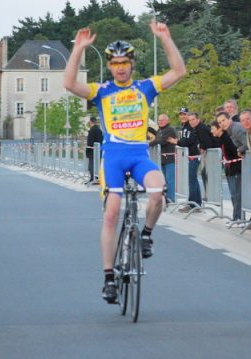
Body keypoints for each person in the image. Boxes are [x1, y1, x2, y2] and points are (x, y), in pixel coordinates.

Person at [63, 21, 186, 303]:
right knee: (111, 213)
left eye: (125, 62)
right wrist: (79, 49)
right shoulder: (102, 90)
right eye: (115, 63)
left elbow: (178, 72)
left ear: (132, 64)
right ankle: (108, 277)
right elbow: (69, 84)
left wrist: (166, 38)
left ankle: (146, 235)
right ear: (110, 66)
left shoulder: (146, 87)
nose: (120, 67)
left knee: (157, 192)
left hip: (140, 155)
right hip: (114, 157)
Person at [168, 112, 202, 211]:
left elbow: (188, 141)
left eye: (185, 114)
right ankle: (196, 204)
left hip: (193, 156)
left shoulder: (190, 127)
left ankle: (193, 205)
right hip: (190, 156)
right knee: (193, 180)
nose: (183, 116)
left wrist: (176, 142)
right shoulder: (184, 127)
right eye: (181, 114)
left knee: (192, 180)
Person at [149, 114, 177, 203]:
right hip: (162, 158)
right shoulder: (160, 130)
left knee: (170, 179)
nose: (160, 122)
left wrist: (149, 144)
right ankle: (166, 197)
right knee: (164, 179)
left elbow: (161, 141)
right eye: (159, 120)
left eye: (162, 120)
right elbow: (158, 139)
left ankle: (171, 198)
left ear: (167, 121)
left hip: (169, 158)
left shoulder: (170, 130)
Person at [86, 117, 103, 183]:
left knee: (91, 166)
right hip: (98, 150)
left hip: (92, 150)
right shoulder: (99, 130)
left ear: (91, 122)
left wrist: (88, 148)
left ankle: (93, 178)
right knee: (97, 165)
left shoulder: (92, 130)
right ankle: (96, 178)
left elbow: (90, 141)